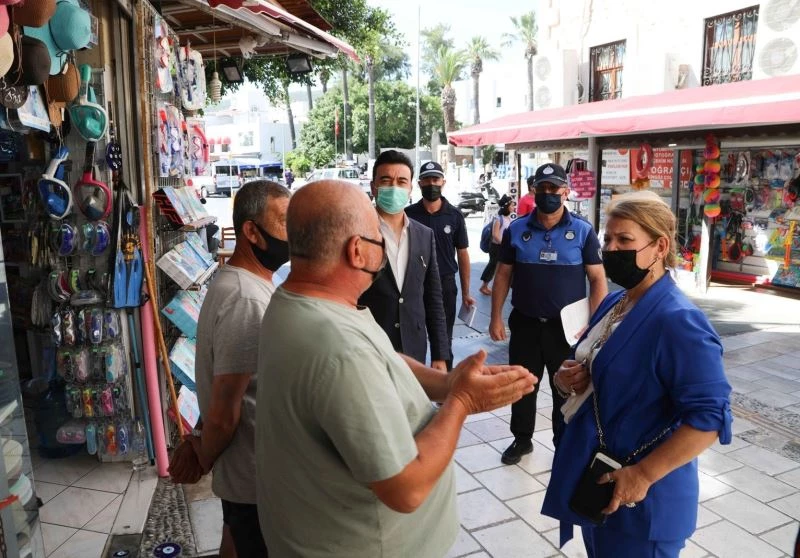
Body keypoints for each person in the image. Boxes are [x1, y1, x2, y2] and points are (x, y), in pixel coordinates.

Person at [254, 180, 536, 557]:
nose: (384, 248)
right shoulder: (337, 346)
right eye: (377, 239)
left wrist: (447, 381)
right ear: (357, 251)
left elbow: (383, 356)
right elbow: (406, 488)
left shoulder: (302, 299)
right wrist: (462, 401)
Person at [541, 191, 732, 557]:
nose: (612, 249)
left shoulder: (679, 321)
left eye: (625, 240)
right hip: (599, 479)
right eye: (607, 239)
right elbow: (597, 367)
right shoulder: (618, 301)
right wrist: (566, 378)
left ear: (659, 246)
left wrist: (642, 475)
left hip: (642, 497)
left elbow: (709, 418)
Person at [168, 180, 291, 558]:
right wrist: (202, 454)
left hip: (247, 473)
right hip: (252, 476)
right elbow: (225, 410)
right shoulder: (245, 299)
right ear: (252, 231)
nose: (295, 232)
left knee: (233, 541)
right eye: (286, 221)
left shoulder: (246, 285)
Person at [489, 162, 607, 465]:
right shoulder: (517, 229)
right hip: (526, 324)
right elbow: (502, 275)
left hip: (566, 330)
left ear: (565, 192)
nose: (547, 194)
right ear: (533, 190)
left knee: (565, 388)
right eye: (541, 188)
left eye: (553, 188)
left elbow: (597, 280)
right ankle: (522, 440)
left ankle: (563, 444)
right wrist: (495, 318)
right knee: (522, 385)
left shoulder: (582, 231)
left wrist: (597, 327)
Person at [359, 150, 449, 370]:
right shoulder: (357, 232)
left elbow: (433, 298)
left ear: (410, 189)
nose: (394, 187)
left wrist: (440, 354)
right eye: (386, 181)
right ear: (374, 187)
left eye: (401, 181)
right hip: (369, 348)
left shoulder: (424, 235)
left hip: (414, 350)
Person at [406, 161, 476, 369]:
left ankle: (444, 386)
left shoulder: (454, 216)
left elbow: (462, 254)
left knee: (444, 339)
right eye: (426, 180)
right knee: (412, 337)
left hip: (444, 285)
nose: (431, 184)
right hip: (414, 285)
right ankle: (415, 385)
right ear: (419, 184)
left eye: (435, 180)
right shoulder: (408, 214)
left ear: (443, 182)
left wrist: (465, 292)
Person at [478, 194, 515, 296]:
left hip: (502, 247)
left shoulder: (509, 219)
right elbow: (495, 234)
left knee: (499, 267)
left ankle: (492, 286)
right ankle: (484, 286)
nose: (513, 207)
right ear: (507, 206)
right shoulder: (499, 219)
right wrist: (504, 244)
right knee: (493, 266)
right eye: (512, 205)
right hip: (496, 247)